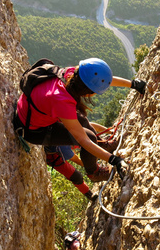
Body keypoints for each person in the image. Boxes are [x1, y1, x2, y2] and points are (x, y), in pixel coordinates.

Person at [13, 58, 146, 183]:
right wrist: (114, 160)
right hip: (32, 130)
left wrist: (133, 84)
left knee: (81, 120)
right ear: (89, 92)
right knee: (89, 137)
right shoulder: (62, 101)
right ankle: (94, 172)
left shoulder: (74, 75)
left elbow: (104, 80)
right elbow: (83, 140)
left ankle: (101, 145)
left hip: (32, 111)